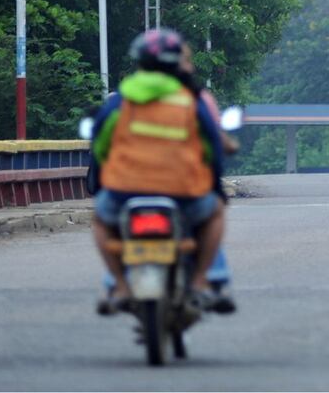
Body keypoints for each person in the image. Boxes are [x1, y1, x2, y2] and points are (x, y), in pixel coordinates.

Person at [89, 28, 230, 315]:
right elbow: (211, 149)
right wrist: (215, 186)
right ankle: (202, 281)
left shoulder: (121, 100)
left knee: (101, 220)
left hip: (124, 196)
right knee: (215, 210)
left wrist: (102, 181)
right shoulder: (189, 101)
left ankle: (120, 286)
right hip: (183, 196)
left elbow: (100, 146)